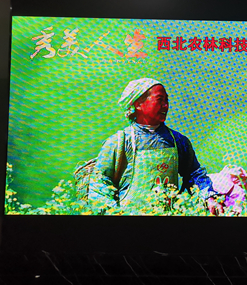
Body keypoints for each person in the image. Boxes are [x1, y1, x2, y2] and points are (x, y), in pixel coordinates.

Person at [89, 78, 224, 215]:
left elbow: (194, 174)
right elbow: (99, 183)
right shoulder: (119, 142)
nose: (165, 105)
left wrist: (209, 197)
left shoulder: (178, 141)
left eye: (167, 100)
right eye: (160, 100)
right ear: (138, 104)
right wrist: (112, 213)